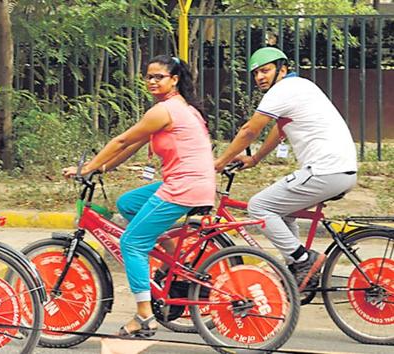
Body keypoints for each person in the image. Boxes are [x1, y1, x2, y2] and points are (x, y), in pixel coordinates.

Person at [63, 55, 215, 338]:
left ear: (175, 79)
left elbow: (121, 139)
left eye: (159, 76)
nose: (153, 81)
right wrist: (104, 167)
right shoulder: (181, 108)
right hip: (191, 182)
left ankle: (144, 316)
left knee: (131, 243)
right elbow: (131, 146)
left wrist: (88, 167)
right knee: (128, 203)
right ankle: (172, 256)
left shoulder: (165, 110)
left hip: (184, 187)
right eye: (149, 76)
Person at [214, 47, 357, 291]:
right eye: (256, 73)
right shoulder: (299, 87)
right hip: (339, 170)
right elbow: (279, 129)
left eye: (265, 70)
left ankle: (303, 260)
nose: (260, 77)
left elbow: (250, 130)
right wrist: (255, 158)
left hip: (325, 170)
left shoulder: (283, 90)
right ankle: (297, 270)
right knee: (282, 212)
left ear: (283, 69)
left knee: (258, 206)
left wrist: (217, 163)